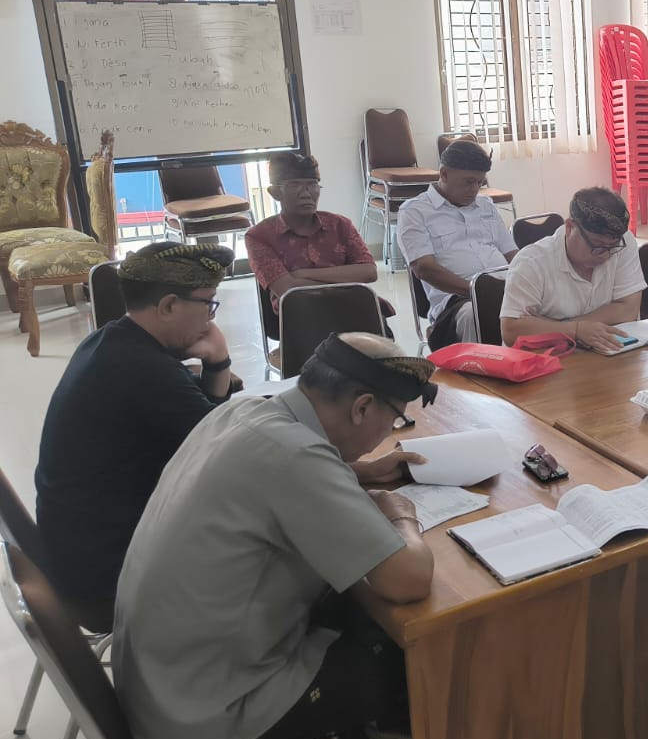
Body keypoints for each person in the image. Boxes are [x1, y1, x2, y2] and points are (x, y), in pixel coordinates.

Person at [113, 333, 436, 739]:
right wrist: (402, 517)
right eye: (395, 418)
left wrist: (352, 471)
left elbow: (281, 470)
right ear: (361, 407)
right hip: (208, 715)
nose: (389, 432)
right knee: (411, 649)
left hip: (164, 684)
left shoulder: (242, 411)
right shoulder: (295, 458)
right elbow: (408, 580)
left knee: (347, 603)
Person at [29, 243, 239, 631]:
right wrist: (220, 358)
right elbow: (226, 452)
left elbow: (200, 430)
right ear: (169, 305)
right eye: (209, 304)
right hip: (111, 583)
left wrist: (214, 367)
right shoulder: (144, 368)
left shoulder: (109, 341)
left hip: (81, 558)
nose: (211, 320)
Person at [397, 140, 517, 349]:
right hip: (457, 302)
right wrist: (480, 292)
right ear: (444, 174)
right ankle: (484, 368)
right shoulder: (415, 212)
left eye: (480, 183)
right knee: (475, 314)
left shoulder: (486, 205)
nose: (475, 189)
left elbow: (512, 253)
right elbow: (424, 268)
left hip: (506, 290)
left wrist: (528, 281)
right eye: (469, 182)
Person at [501, 187, 645, 351]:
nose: (605, 255)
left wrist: (558, 327)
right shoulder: (531, 262)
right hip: (542, 358)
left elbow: (628, 310)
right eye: (597, 245)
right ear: (569, 227)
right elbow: (511, 331)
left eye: (612, 247)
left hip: (601, 354)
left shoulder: (623, 243)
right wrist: (575, 331)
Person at [246, 151, 381, 311]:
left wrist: (303, 274)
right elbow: (288, 290)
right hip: (301, 314)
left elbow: (369, 271)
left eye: (312, 185)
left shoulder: (340, 225)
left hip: (353, 309)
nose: (306, 193)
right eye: (295, 185)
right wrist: (346, 283)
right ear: (275, 193)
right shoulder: (259, 236)